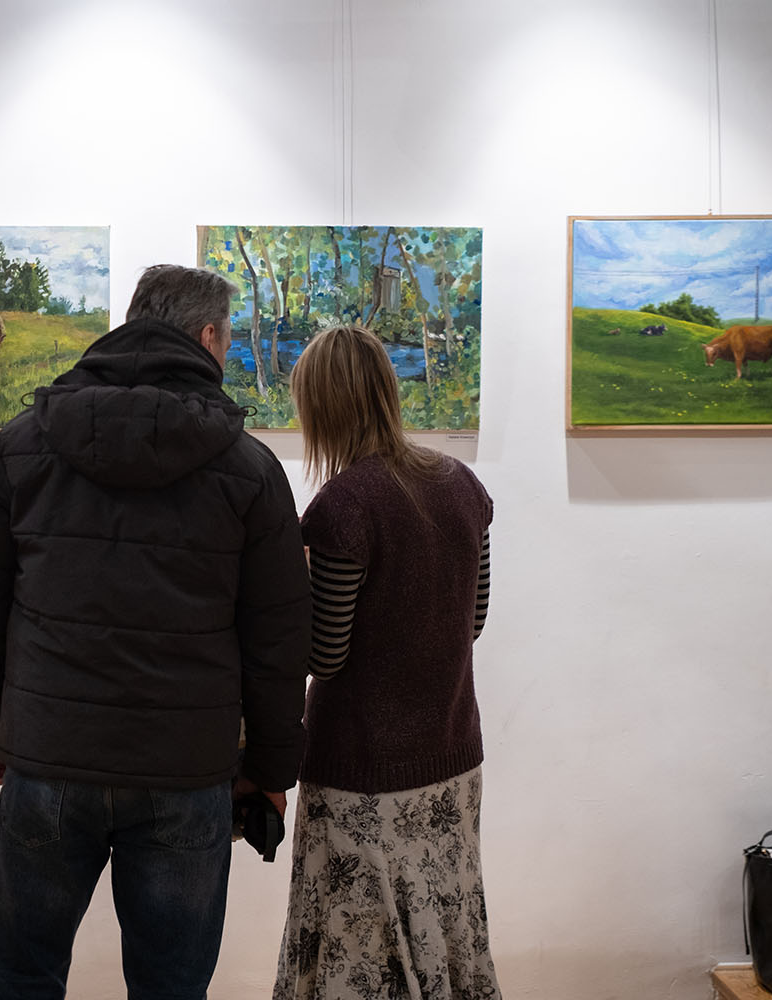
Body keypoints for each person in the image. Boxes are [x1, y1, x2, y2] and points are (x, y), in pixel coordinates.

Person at [0, 264, 312, 999]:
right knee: (171, 989)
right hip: (186, 770)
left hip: (49, 755)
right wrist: (270, 772)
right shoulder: (250, 469)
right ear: (207, 337)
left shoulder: (20, 447)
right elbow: (278, 644)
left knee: (19, 980)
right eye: (228, 339)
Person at [273, 325, 499, 1000]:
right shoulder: (462, 485)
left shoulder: (343, 507)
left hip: (363, 772)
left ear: (323, 406)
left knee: (362, 952)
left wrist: (290, 589)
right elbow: (473, 621)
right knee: (444, 928)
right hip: (451, 760)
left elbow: (325, 654)